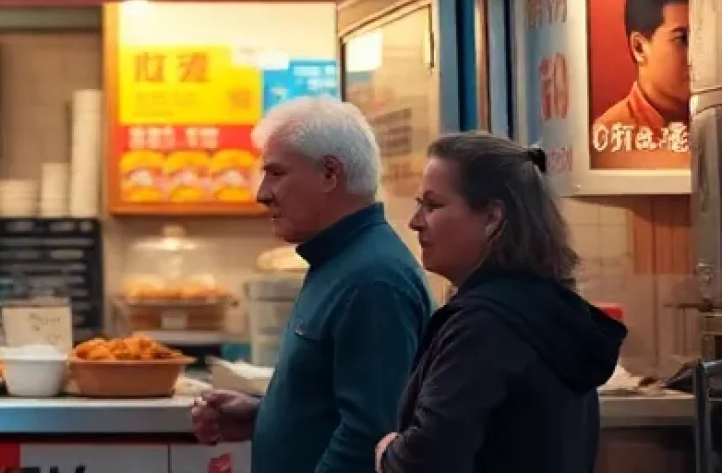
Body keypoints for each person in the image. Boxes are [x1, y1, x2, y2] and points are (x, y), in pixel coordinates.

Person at [191, 96, 431, 473]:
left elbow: (369, 434)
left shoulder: (372, 280)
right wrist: (261, 416)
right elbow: (333, 404)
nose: (262, 193)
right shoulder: (336, 262)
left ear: (330, 175)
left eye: (276, 173)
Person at [374, 132, 625, 473]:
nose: (415, 222)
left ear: (493, 218)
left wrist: (389, 455)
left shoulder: (483, 327)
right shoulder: (545, 311)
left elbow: (426, 461)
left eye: (432, 205)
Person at [592, 0, 709, 141]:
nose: (703, 55)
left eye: (711, 38)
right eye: (683, 39)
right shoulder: (608, 139)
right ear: (639, 47)